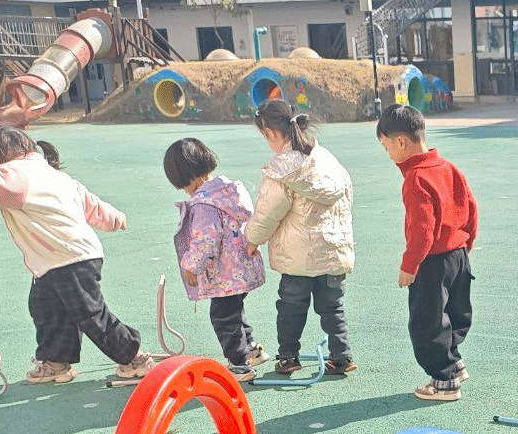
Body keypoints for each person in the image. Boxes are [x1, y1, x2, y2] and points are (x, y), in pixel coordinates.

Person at [0, 127, 154, 385]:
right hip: (62, 259)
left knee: (90, 314)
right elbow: (90, 204)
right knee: (47, 308)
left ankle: (134, 357)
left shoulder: (16, 175)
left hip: (66, 258)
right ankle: (56, 362)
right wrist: (115, 218)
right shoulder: (56, 176)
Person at [243, 100, 356, 378]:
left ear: (271, 133)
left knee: (291, 308)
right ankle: (341, 356)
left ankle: (288, 357)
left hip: (298, 259)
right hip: (332, 253)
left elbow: (268, 212)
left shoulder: (281, 169)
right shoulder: (326, 159)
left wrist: (252, 240)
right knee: (333, 307)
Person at [376, 104, 478, 402]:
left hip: (432, 261)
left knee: (427, 322)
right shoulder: (448, 167)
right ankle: (454, 363)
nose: (388, 154)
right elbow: (471, 208)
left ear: (401, 142)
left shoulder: (416, 178)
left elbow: (422, 230)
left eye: (386, 146)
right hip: (458, 255)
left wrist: (409, 266)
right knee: (455, 313)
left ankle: (445, 380)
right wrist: (466, 245)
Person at [164, 137, 269, 382]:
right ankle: (251, 348)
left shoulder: (204, 204)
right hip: (241, 268)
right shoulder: (229, 191)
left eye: (183, 184)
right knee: (234, 310)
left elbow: (206, 239)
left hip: (225, 273)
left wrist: (192, 265)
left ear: (190, 176)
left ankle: (239, 364)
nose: (185, 190)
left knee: (223, 317)